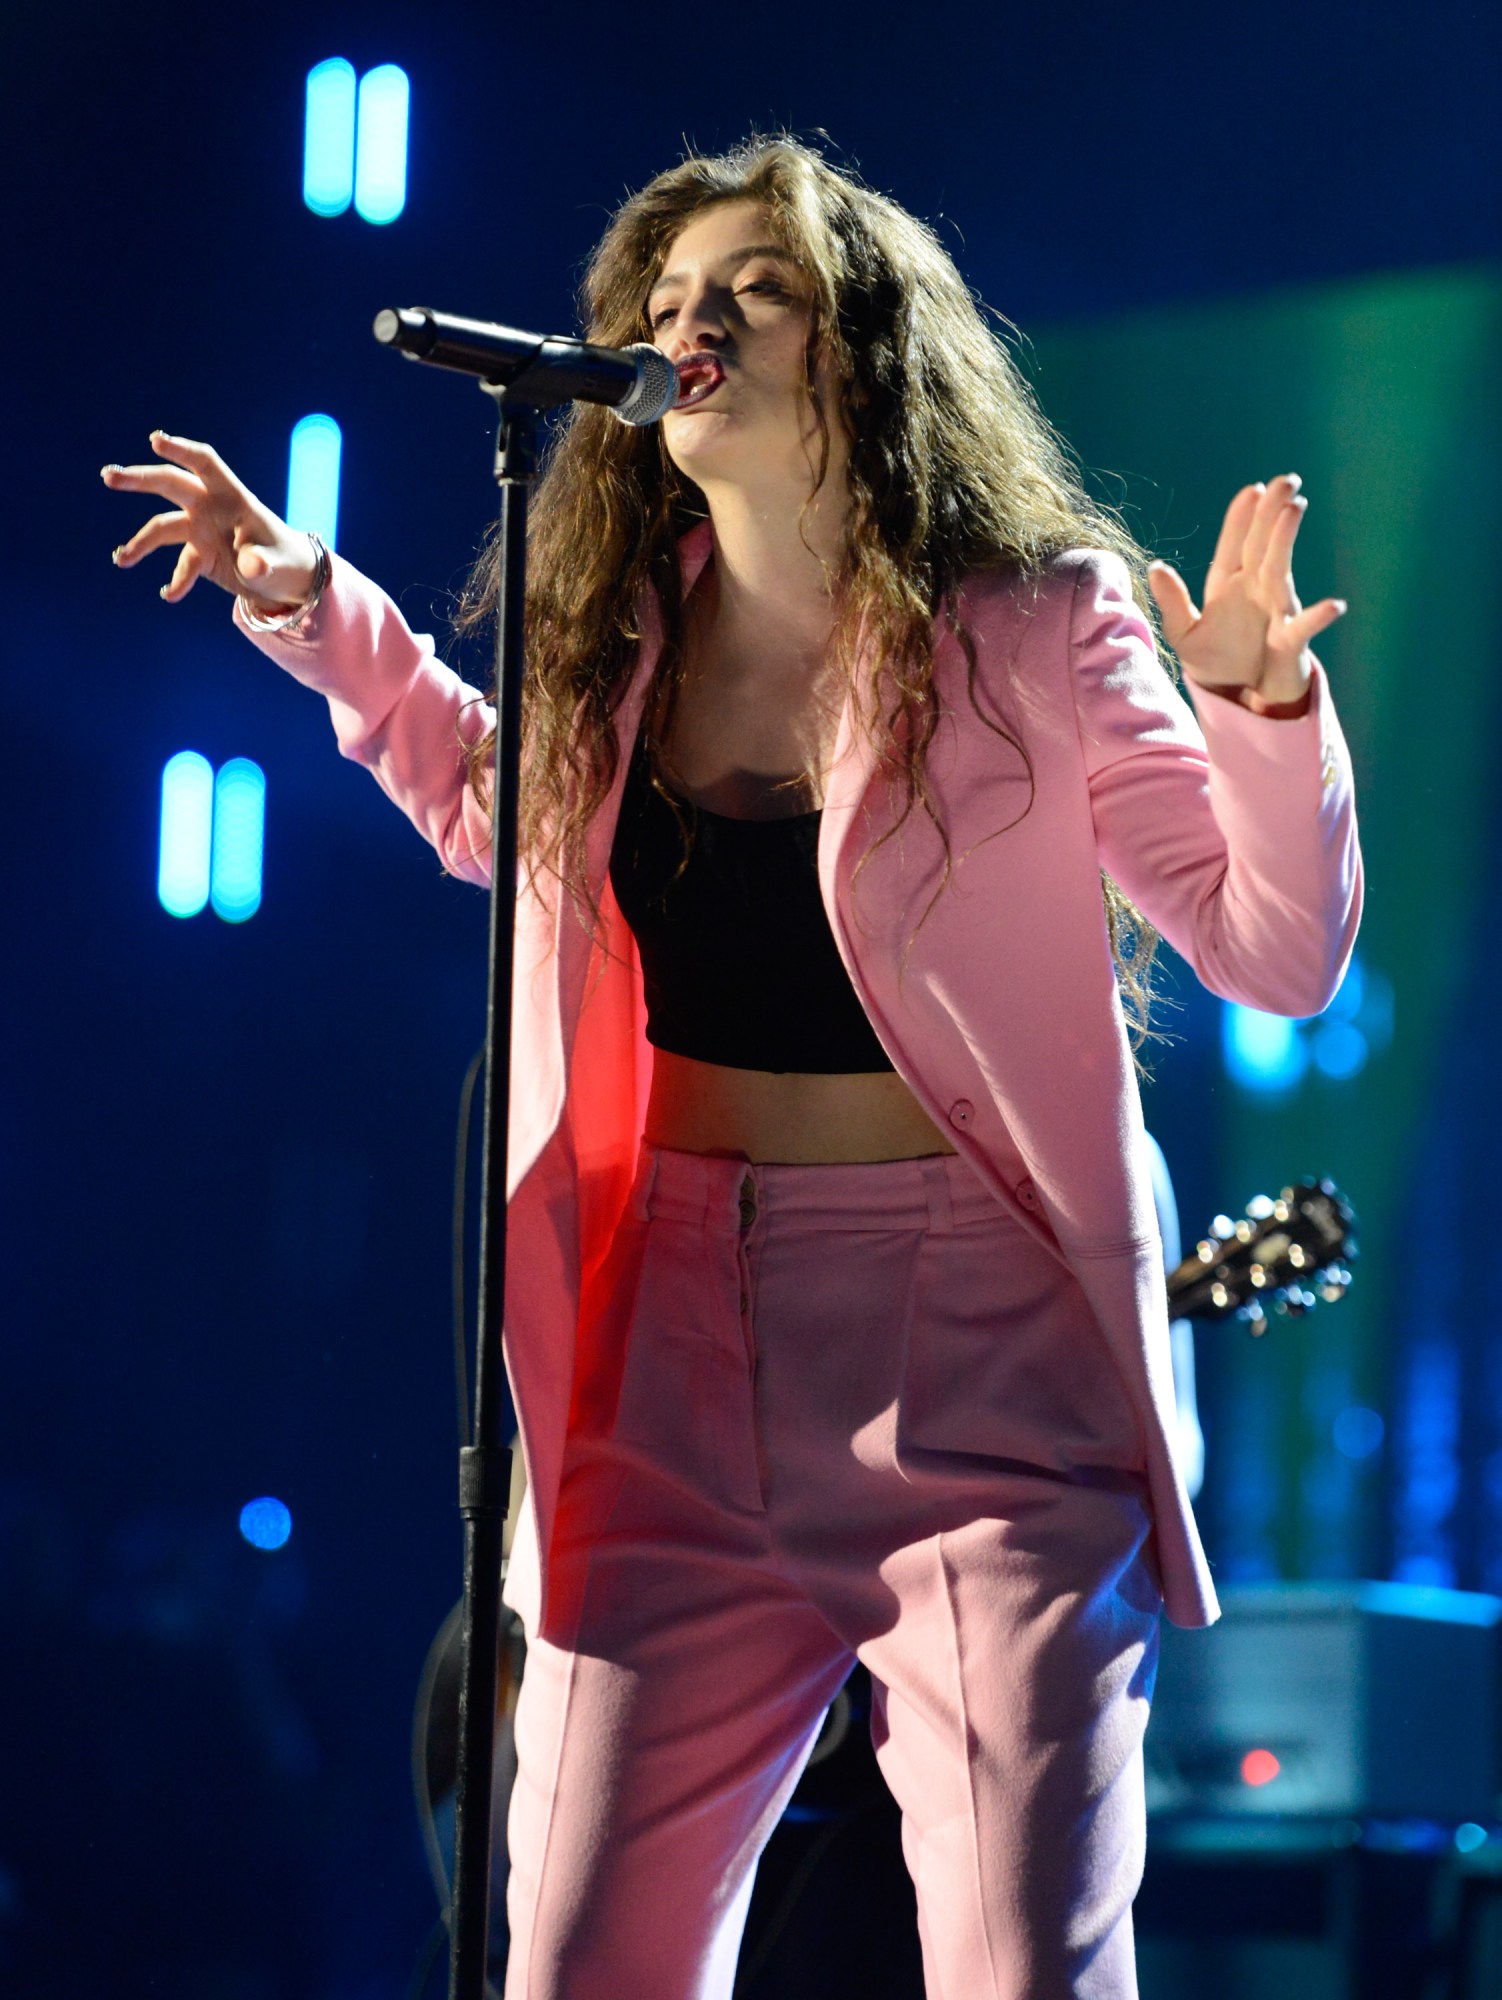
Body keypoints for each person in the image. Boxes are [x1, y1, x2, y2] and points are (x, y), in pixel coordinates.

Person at [105, 136, 1361, 2000]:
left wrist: (1256, 706)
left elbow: (1272, 945)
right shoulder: (616, 630)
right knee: (579, 1959)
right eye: (667, 300)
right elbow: (490, 803)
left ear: (857, 347)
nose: (693, 324)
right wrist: (312, 603)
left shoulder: (1032, 620)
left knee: (1026, 1961)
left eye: (749, 292)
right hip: (668, 1345)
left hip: (981, 1360)